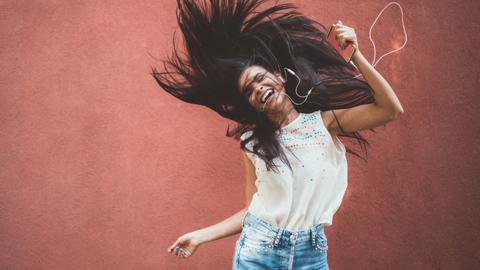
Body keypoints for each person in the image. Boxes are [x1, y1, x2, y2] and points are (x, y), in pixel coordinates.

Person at [152, 0, 404, 268]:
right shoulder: (252, 144)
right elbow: (252, 209)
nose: (258, 89)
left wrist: (355, 55)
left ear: (281, 77)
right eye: (249, 90)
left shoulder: (325, 123)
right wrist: (200, 236)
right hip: (260, 252)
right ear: (250, 103)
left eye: (260, 79)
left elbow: (390, 110)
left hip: (312, 253)